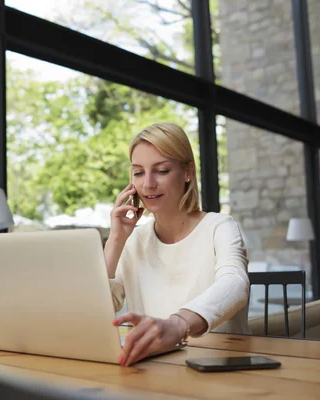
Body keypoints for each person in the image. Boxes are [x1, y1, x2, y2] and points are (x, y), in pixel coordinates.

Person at [106, 122, 250, 367]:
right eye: (138, 172)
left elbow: (235, 283)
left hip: (218, 367)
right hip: (152, 368)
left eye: (161, 171)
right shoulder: (134, 240)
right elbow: (99, 305)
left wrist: (178, 324)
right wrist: (116, 239)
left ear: (187, 172)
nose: (148, 184)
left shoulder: (219, 226)